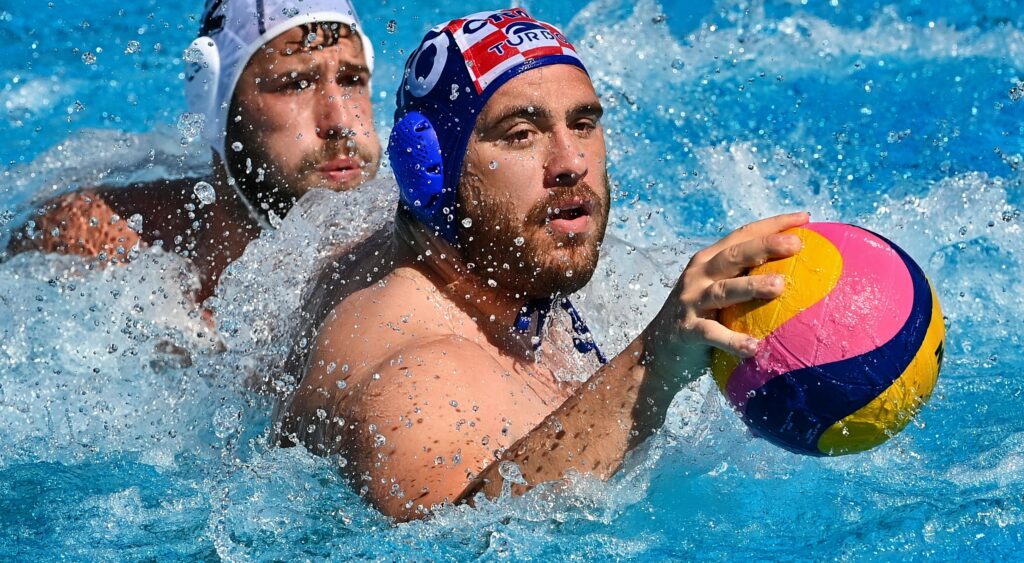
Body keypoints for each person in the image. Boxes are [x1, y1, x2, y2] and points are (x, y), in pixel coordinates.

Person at [278, 8, 808, 521]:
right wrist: (655, 359)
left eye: (582, 124)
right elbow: (458, 534)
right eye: (520, 134)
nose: (572, 163)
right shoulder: (416, 378)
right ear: (428, 172)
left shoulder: (488, 263)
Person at [5, 0, 381, 303]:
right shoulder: (98, 245)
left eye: (352, 80)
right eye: (295, 83)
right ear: (214, 100)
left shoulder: (424, 259)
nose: (341, 120)